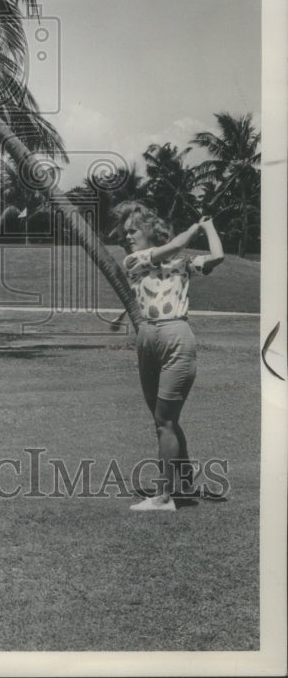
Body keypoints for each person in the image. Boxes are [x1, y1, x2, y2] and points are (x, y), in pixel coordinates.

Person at [114, 202, 224, 512]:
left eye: (133, 230)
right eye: (126, 233)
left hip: (176, 336)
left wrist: (208, 226)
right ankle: (184, 482)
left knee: (164, 421)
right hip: (147, 339)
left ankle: (163, 497)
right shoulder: (133, 261)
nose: (128, 237)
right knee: (164, 420)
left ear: (149, 231)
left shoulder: (183, 262)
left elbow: (217, 257)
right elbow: (174, 245)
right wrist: (193, 230)